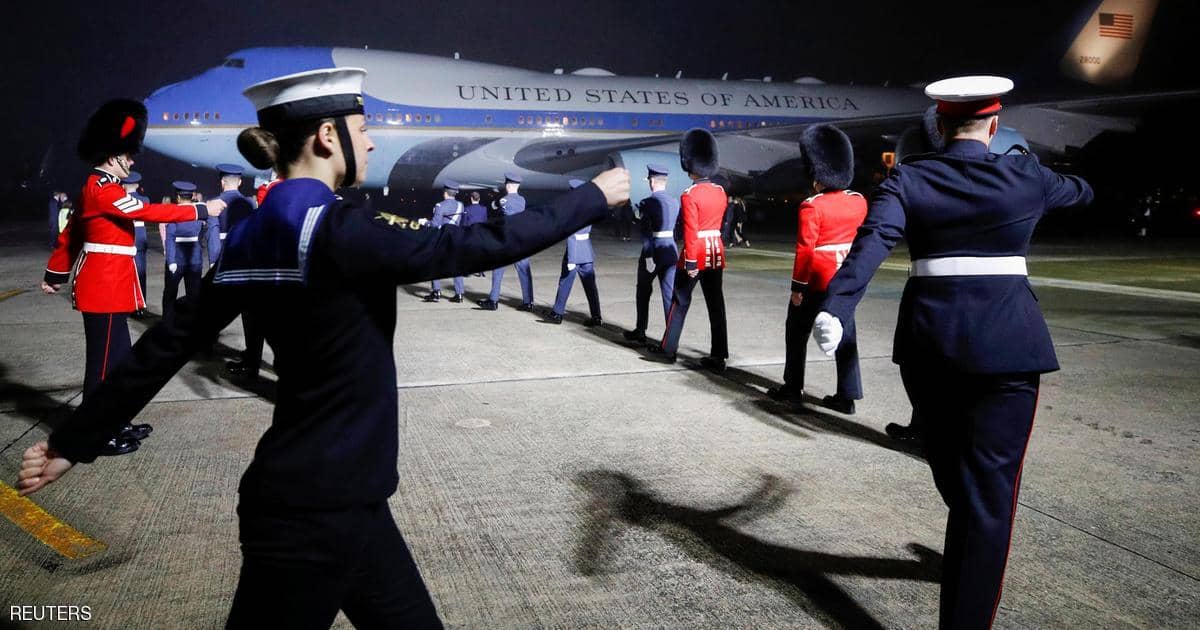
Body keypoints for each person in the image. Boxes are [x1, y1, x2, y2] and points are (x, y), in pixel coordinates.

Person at [18, 67, 629, 628]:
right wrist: (591, 198)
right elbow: (471, 248)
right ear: (326, 138)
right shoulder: (340, 229)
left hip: (337, 499)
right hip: (316, 514)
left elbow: (164, 346)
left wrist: (77, 439)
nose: (370, 144)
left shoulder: (252, 236)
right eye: (362, 130)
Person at [813, 76, 1093, 628]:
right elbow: (1082, 191)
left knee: (956, 475)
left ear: (938, 128)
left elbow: (872, 244)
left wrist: (836, 307)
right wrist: (1036, 169)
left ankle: (971, 550)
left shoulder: (908, 180)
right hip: (1008, 352)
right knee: (985, 497)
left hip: (930, 350)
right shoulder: (1025, 175)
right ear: (994, 125)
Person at [40, 99, 222, 456]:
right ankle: (94, 432)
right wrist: (200, 208)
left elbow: (72, 235)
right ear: (113, 155)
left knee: (119, 362)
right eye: (128, 154)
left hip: (112, 285)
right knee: (103, 366)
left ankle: (114, 419)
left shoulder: (101, 187)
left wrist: (56, 273)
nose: (133, 161)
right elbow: (145, 210)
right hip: (102, 287)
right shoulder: (101, 188)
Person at [766, 124, 866, 414]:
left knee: (796, 333)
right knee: (846, 335)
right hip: (844, 280)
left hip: (817, 281)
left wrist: (798, 288)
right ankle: (847, 396)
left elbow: (805, 251)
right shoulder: (858, 202)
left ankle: (792, 387)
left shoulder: (812, 206)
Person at [646, 129, 729, 373]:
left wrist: (691, 262)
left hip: (698, 253)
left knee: (679, 301)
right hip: (716, 251)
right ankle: (719, 355)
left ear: (691, 165)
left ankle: (668, 349)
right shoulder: (721, 192)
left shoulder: (690, 195)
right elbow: (720, 224)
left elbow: (691, 231)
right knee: (716, 304)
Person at [624, 164, 679, 343]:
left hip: (654, 251)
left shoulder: (648, 203)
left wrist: (648, 257)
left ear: (652, 181)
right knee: (669, 295)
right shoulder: (674, 202)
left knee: (643, 291)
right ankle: (671, 340)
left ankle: (641, 330)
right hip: (670, 250)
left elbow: (646, 232)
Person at [545, 179, 602, 326]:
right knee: (591, 287)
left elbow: (571, 236)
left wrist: (571, 259)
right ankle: (596, 317)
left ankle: (557, 314)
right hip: (587, 252)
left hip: (574, 252)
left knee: (565, 283)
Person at [477, 172, 534, 311]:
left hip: (508, 240)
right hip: (521, 239)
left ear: (508, 185)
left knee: (498, 269)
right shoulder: (522, 200)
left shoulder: (504, 200)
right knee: (524, 270)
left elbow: (494, 206)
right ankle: (528, 302)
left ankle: (493, 300)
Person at [162, 181, 206, 325]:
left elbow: (170, 238)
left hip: (177, 258)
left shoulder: (174, 212)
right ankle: (192, 325)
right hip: (195, 259)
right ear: (192, 196)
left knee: (170, 294)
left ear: (178, 198)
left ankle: (167, 323)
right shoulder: (198, 212)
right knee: (193, 295)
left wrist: (171, 260)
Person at [423, 180, 466, 303]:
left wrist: (425, 222)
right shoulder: (460, 205)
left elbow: (435, 225)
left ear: (445, 193)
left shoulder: (440, 205)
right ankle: (459, 294)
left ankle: (436, 292)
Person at [121, 172, 152, 317]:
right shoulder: (144, 199)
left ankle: (126, 304)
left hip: (126, 235)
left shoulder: (121, 199)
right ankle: (140, 306)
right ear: (137, 185)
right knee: (141, 273)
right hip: (140, 236)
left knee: (124, 273)